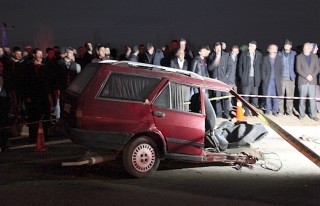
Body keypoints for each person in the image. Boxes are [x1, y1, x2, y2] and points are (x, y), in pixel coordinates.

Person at [24, 48, 51, 143]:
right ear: (34, 55)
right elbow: (26, 82)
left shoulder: (45, 65)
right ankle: (33, 137)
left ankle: (45, 136)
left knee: (44, 116)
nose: (40, 56)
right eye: (38, 54)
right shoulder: (28, 66)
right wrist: (27, 96)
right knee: (33, 117)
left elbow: (49, 81)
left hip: (44, 95)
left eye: (41, 54)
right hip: (33, 96)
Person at [296, 42, 320, 121]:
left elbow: (317, 68)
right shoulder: (299, 57)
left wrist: (312, 76)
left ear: (311, 48)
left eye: (309, 47)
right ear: (303, 48)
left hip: (312, 81)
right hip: (302, 81)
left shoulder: (315, 56)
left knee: (312, 99)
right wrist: (306, 76)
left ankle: (313, 115)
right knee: (302, 99)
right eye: (306, 47)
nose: (308, 48)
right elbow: (298, 69)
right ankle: (302, 114)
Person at [238, 40, 263, 116]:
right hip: (246, 78)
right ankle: (246, 112)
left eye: (251, 46)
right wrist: (242, 76)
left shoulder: (259, 55)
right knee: (245, 96)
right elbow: (240, 66)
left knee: (255, 96)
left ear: (255, 47)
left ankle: (254, 111)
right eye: (249, 46)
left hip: (255, 78)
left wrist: (259, 76)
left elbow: (260, 67)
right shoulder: (244, 54)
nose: (249, 47)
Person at [261, 44, 283, 116]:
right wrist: (264, 78)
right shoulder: (265, 58)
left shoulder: (279, 58)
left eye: (275, 49)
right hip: (268, 81)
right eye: (272, 48)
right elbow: (263, 70)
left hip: (276, 81)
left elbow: (281, 70)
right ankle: (267, 110)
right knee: (267, 96)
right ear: (268, 50)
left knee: (275, 97)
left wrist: (279, 79)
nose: (274, 50)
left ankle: (275, 111)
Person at [277, 39, 297, 116]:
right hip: (281, 78)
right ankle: (281, 111)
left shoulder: (294, 54)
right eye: (285, 44)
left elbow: (296, 65)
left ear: (291, 46)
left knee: (290, 96)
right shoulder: (279, 54)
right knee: (280, 96)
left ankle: (289, 111)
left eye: (288, 45)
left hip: (291, 78)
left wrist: (294, 75)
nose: (286, 46)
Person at [0, 60, 11, 152]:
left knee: (4, 125)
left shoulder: (6, 78)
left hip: (4, 104)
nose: (1, 68)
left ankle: (4, 145)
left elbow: (10, 92)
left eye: (2, 66)